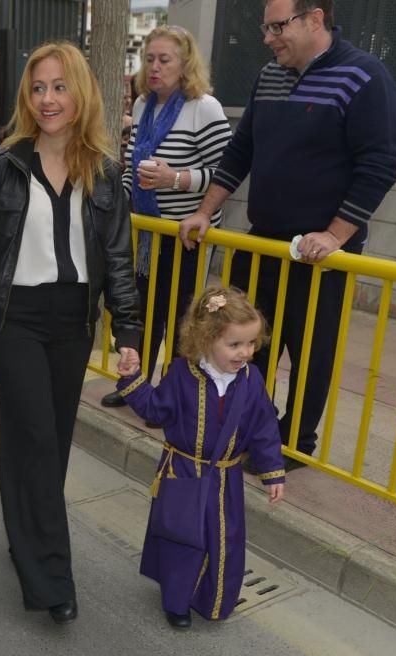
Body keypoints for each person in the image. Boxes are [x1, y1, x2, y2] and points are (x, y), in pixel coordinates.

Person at [0, 42, 141, 625]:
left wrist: (128, 330)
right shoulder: (3, 167)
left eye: (59, 87)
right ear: (27, 98)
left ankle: (25, 537)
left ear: (80, 93)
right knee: (34, 435)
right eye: (38, 88)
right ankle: (52, 576)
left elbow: (118, 260)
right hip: (15, 319)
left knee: (49, 441)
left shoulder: (105, 172)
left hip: (73, 321)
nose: (48, 98)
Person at [178, 0, 396, 465]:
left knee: (310, 353)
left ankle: (294, 443)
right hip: (262, 244)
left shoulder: (365, 77)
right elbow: (241, 152)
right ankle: (245, 428)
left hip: (321, 255)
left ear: (315, 19)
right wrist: (204, 211)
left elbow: (380, 165)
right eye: (265, 27)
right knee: (246, 345)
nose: (267, 37)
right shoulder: (269, 76)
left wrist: (336, 235)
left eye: (277, 26)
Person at [116, 286, 286, 629]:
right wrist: (132, 378)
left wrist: (273, 472)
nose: (245, 353)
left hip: (226, 476)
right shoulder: (181, 373)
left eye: (251, 344)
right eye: (234, 345)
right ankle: (176, 602)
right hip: (183, 470)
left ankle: (214, 599)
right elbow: (155, 409)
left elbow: (264, 426)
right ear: (206, 338)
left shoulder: (252, 379)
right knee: (184, 536)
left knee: (226, 537)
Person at [100, 25, 232, 410]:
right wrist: (119, 203)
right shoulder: (142, 106)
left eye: (165, 60)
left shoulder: (204, 107)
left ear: (185, 64)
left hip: (185, 236)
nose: (155, 67)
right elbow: (132, 168)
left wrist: (175, 178)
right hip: (144, 236)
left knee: (179, 321)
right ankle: (134, 384)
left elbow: (225, 175)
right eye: (150, 59)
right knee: (141, 315)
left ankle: (172, 397)